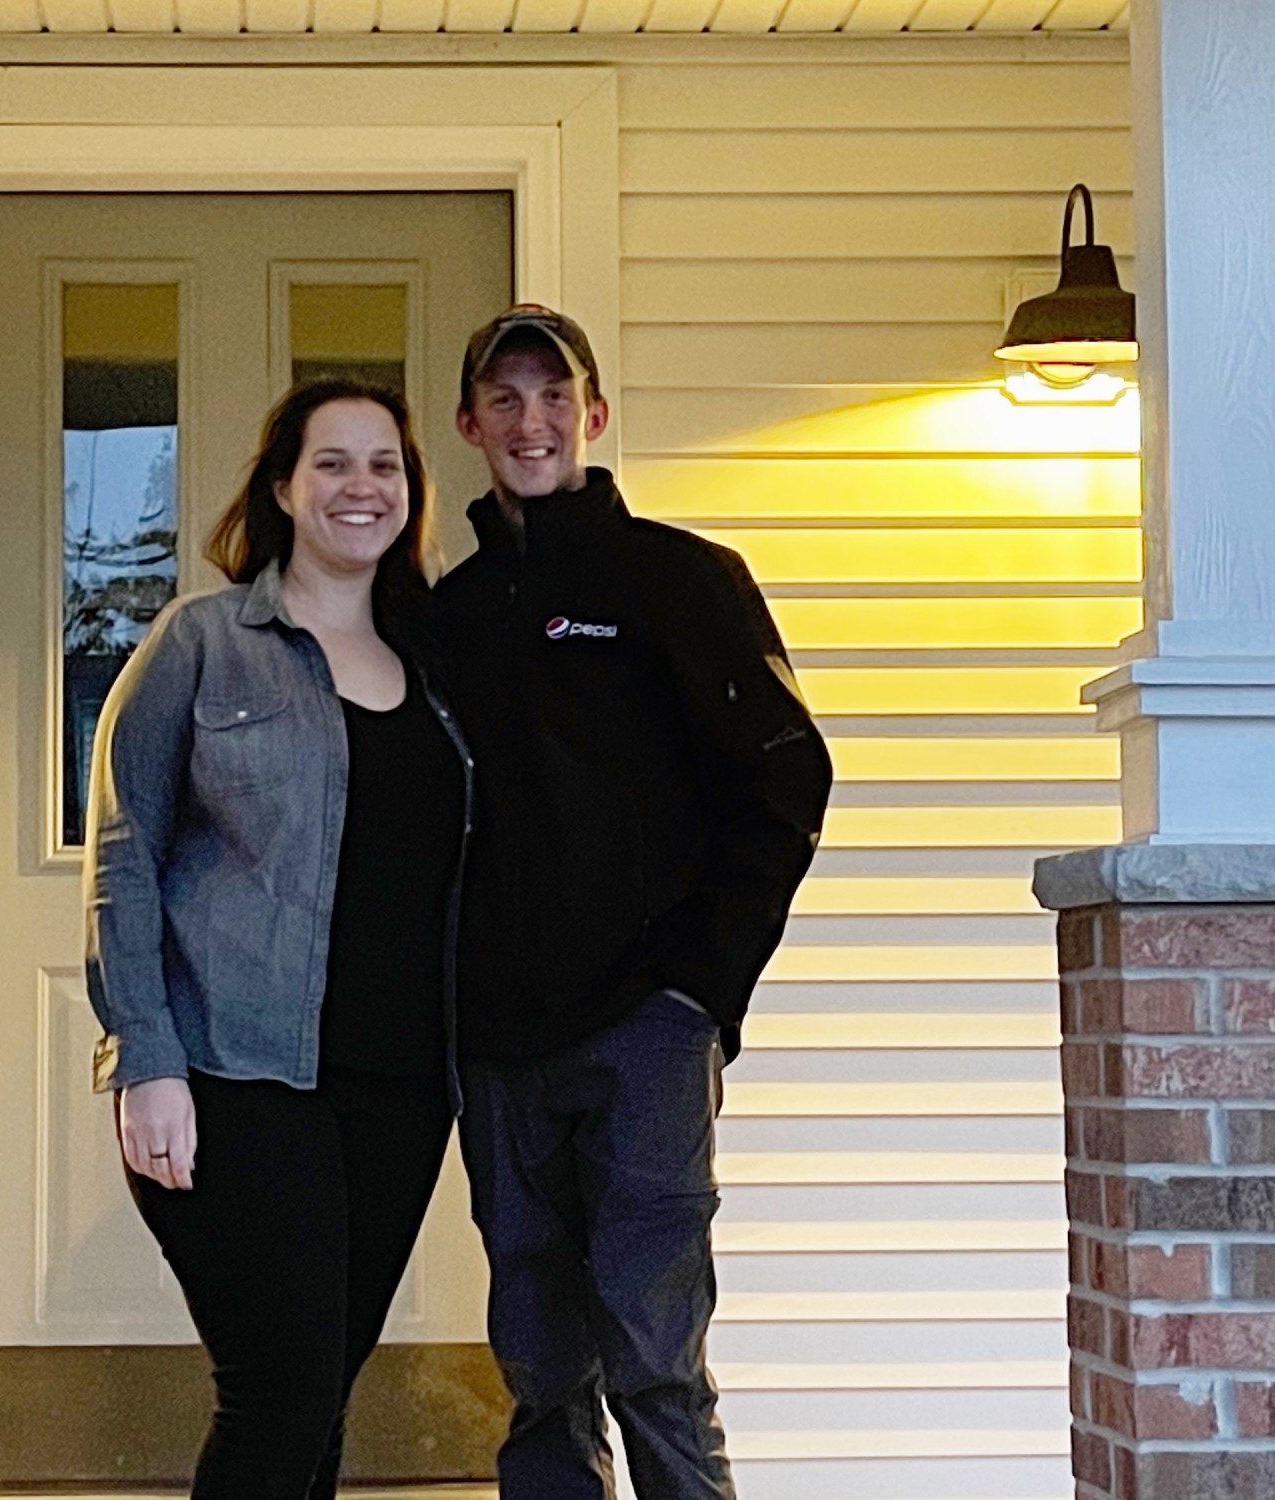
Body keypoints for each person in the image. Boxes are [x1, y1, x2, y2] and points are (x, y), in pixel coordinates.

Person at [436, 306, 834, 1499]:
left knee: (656, 1367)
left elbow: (784, 775)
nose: (529, 421)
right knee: (540, 1376)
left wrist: (702, 989)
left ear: (594, 416)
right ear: (467, 426)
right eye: (502, 399)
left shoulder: (678, 579)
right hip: (498, 1050)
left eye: (552, 395)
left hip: (645, 1035)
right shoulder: (441, 620)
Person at [83, 379, 473, 1499]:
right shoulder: (202, 644)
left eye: (385, 465)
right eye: (333, 463)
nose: (363, 486)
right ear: (282, 489)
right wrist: (143, 1057)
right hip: (233, 1069)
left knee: (319, 1397)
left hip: (398, 1087)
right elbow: (123, 851)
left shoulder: (437, 666)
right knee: (280, 1396)